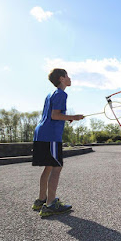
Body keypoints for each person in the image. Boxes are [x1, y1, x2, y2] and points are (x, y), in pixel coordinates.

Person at [31, 68, 84, 217]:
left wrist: (68, 117)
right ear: (62, 78)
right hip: (50, 135)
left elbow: (55, 114)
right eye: (67, 75)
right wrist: (74, 116)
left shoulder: (51, 94)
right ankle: (51, 204)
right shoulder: (61, 94)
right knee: (57, 167)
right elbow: (55, 115)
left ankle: (41, 200)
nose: (69, 78)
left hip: (41, 133)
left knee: (49, 167)